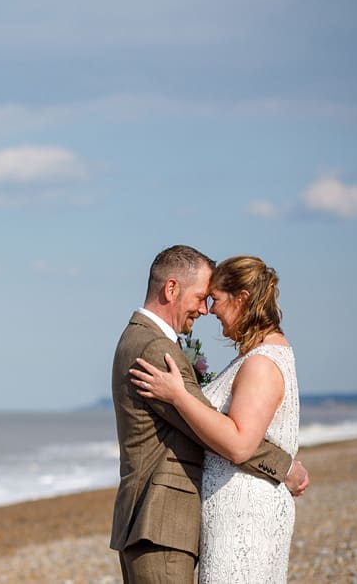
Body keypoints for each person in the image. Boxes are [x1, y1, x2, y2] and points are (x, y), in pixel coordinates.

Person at [110, 246, 307, 583]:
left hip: (174, 521)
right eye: (202, 297)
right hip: (160, 521)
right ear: (171, 289)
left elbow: (225, 431)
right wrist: (284, 466)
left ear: (242, 298)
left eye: (212, 299)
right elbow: (215, 431)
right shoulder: (155, 349)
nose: (205, 310)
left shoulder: (149, 342)